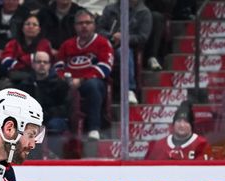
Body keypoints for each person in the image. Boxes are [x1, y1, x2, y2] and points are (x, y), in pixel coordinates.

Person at [54, 9, 113, 141]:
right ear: (75, 26)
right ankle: (61, 127)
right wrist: (66, 78)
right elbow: (58, 66)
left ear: (94, 25)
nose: (84, 26)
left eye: (88, 22)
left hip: (92, 82)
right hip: (69, 81)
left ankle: (94, 128)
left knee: (93, 86)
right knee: (54, 84)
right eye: (80, 23)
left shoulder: (103, 43)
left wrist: (81, 80)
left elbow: (105, 67)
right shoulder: (67, 44)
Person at [17, 50, 70, 158]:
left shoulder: (60, 84)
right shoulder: (25, 85)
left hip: (53, 117)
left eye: (45, 62)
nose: (42, 64)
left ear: (49, 65)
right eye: (39, 61)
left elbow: (65, 108)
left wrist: (46, 114)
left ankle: (54, 155)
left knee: (55, 125)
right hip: (32, 119)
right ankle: (31, 157)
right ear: (33, 64)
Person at [97, 0, 152, 104]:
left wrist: (124, 38)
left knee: (124, 51)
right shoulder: (110, 9)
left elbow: (143, 37)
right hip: (107, 44)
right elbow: (99, 30)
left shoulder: (144, 12)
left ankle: (129, 89)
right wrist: (111, 37)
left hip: (128, 46)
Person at [145, 101, 210, 160]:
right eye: (178, 121)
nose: (182, 125)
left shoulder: (201, 145)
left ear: (191, 125)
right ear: (173, 124)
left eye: (186, 122)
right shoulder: (159, 145)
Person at [0, 15, 54, 84]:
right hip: (15, 79)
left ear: (39, 30)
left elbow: (39, 61)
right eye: (27, 24)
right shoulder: (13, 43)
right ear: (22, 28)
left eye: (34, 25)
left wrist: (18, 61)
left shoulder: (45, 44)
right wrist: (28, 61)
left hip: (39, 79)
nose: (30, 27)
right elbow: (6, 62)